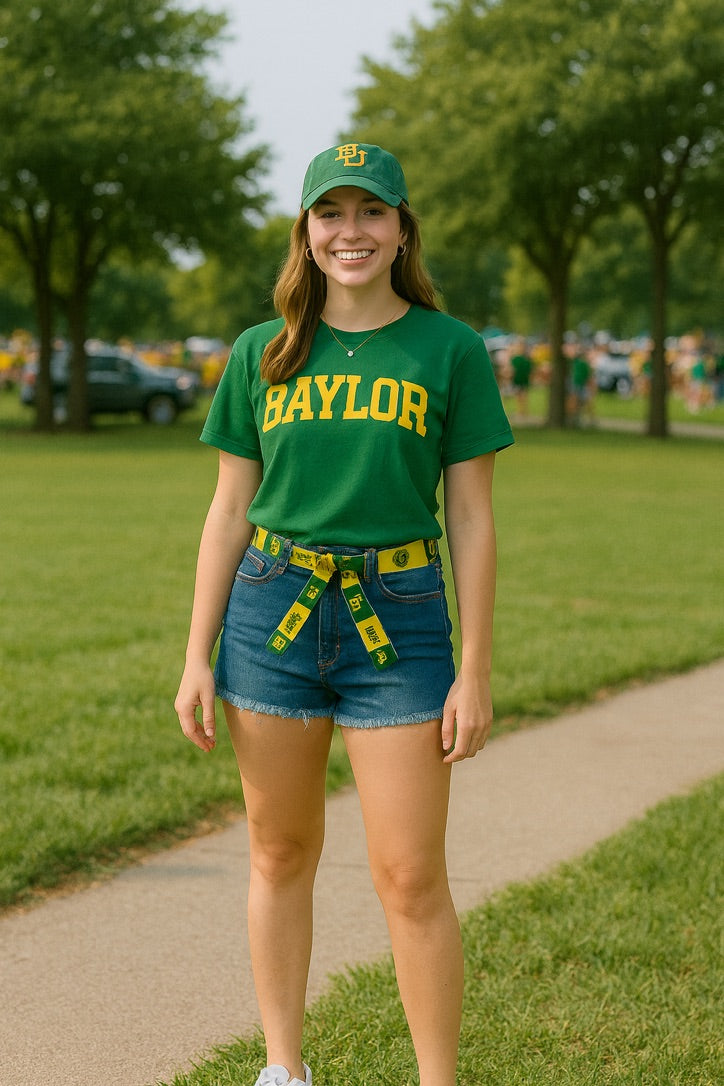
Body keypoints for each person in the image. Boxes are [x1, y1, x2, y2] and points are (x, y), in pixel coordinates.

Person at [174, 142, 514, 1086]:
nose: (351, 231)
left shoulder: (450, 349)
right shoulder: (262, 351)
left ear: (402, 228)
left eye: (372, 212)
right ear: (307, 232)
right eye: (332, 213)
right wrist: (197, 654)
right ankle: (284, 1068)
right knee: (279, 851)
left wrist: (474, 668)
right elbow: (228, 513)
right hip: (270, 614)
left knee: (410, 874)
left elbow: (474, 519)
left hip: (398, 622)